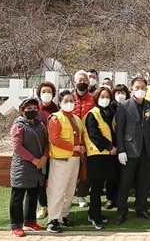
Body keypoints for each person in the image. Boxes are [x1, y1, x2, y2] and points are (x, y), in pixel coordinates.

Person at [114, 76, 150, 225]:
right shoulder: (124, 106)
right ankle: (121, 210)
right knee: (125, 182)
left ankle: (141, 208)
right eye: (137, 88)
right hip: (129, 150)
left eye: (143, 88)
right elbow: (119, 130)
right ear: (131, 89)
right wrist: (121, 150)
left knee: (144, 182)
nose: (140, 90)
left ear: (146, 89)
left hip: (147, 151)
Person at [46, 90, 85, 233]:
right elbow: (55, 140)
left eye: (71, 101)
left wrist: (81, 148)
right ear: (60, 103)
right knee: (57, 190)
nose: (69, 103)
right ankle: (52, 219)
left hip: (75, 159)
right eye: (66, 101)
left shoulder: (77, 119)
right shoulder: (55, 118)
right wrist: (73, 147)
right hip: (61, 159)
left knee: (69, 189)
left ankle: (63, 215)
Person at [9, 98, 48, 237]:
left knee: (33, 195)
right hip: (23, 166)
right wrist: (33, 159)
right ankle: (16, 225)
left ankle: (30, 221)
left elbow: (46, 143)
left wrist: (44, 157)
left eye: (34, 108)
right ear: (22, 110)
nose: (32, 110)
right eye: (28, 108)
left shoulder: (41, 125)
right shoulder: (18, 126)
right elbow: (17, 146)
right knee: (17, 196)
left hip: (37, 166)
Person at [83, 87, 117, 229]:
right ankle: (95, 218)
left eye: (107, 97)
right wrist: (110, 147)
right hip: (96, 155)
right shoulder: (92, 114)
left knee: (100, 185)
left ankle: (94, 213)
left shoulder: (108, 112)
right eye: (102, 96)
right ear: (96, 98)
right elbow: (94, 135)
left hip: (106, 156)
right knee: (96, 188)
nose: (105, 99)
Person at [72, 70, 96, 208]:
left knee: (85, 170)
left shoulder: (93, 99)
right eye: (79, 80)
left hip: (88, 139)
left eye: (85, 81)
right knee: (70, 168)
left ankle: (81, 195)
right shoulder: (68, 98)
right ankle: (67, 195)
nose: (82, 83)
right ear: (74, 82)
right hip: (71, 140)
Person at [35, 81, 58, 220]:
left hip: (56, 151)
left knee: (54, 179)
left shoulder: (58, 109)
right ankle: (43, 205)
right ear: (39, 94)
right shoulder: (35, 110)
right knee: (41, 179)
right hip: (40, 151)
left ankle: (54, 205)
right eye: (43, 92)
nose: (46, 94)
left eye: (49, 92)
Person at [105, 83, 129, 209]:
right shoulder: (109, 109)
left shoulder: (130, 107)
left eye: (123, 93)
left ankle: (122, 198)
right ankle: (110, 198)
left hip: (127, 145)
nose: (120, 95)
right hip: (113, 146)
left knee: (124, 174)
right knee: (112, 174)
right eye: (118, 93)